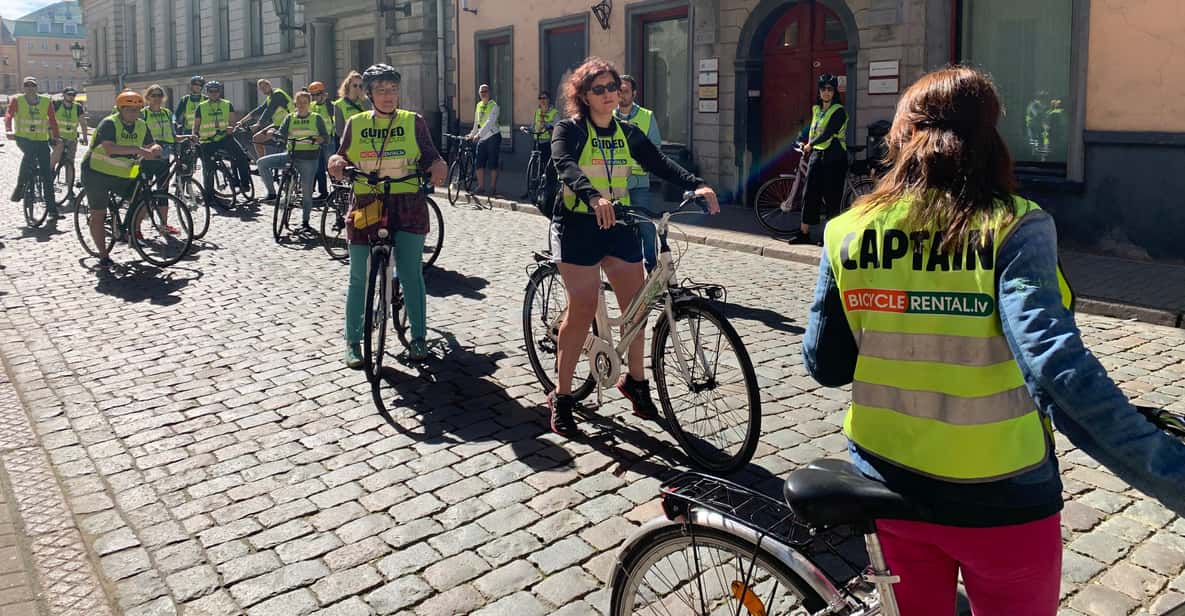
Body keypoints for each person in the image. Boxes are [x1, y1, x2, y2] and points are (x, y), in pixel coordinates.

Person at [802, 66, 1185, 616]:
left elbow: (825, 364)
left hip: (888, 484)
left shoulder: (848, 229)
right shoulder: (1015, 225)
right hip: (1002, 497)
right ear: (988, 137)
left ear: (902, 141)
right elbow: (1056, 367)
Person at [547, 57, 720, 437]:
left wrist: (695, 184)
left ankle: (637, 383)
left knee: (637, 308)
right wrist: (592, 197)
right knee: (583, 308)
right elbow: (564, 164)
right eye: (600, 89)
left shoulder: (627, 131)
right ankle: (561, 397)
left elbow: (658, 161)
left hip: (619, 222)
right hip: (578, 225)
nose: (610, 93)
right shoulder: (569, 129)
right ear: (584, 96)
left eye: (614, 87)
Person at [329, 64, 447, 365]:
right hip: (368, 203)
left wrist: (437, 166)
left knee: (410, 273)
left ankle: (418, 338)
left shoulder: (413, 121)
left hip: (407, 202)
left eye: (392, 90)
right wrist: (336, 162)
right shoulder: (355, 123)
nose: (388, 96)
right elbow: (341, 155)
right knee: (359, 276)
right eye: (380, 90)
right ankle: (353, 342)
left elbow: (430, 154)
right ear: (369, 94)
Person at [80, 90, 161, 268]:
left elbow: (151, 142)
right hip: (96, 173)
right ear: (120, 109)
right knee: (98, 214)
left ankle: (130, 230)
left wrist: (155, 148)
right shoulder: (109, 123)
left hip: (121, 174)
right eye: (129, 109)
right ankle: (103, 255)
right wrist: (138, 150)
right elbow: (109, 149)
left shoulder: (141, 124)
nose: (134, 113)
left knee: (143, 200)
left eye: (137, 109)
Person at [787, 73, 848, 246]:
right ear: (819, 92)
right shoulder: (817, 109)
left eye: (830, 89)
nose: (826, 92)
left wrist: (810, 144)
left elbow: (828, 132)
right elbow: (813, 129)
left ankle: (829, 237)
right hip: (817, 156)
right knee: (809, 194)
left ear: (834, 92)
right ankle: (804, 233)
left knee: (831, 197)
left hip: (834, 156)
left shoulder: (839, 111)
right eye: (823, 89)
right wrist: (802, 137)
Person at [258, 90, 329, 233]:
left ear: (309, 104)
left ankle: (305, 222)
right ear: (295, 103)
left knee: (307, 192)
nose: (302, 105)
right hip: (290, 155)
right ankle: (272, 193)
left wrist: (317, 139)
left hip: (309, 159)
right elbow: (282, 133)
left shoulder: (316, 118)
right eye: (299, 102)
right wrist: (275, 134)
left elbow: (326, 138)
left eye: (305, 102)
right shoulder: (290, 118)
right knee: (262, 163)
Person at [613, 75, 662, 271]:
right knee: (617, 228)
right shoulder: (609, 116)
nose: (621, 95)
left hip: (639, 181)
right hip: (615, 183)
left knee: (646, 227)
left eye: (625, 91)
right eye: (618, 91)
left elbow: (655, 148)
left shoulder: (646, 116)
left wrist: (645, 164)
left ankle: (652, 271)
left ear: (634, 93)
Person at [5, 76, 60, 216]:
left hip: (41, 140)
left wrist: (56, 136)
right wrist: (8, 129)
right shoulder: (17, 100)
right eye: (27, 85)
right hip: (23, 139)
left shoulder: (46, 101)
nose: (30, 88)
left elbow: (53, 120)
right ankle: (20, 187)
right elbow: (9, 115)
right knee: (29, 154)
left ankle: (52, 209)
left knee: (46, 174)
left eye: (32, 85)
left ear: (37, 87)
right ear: (24, 88)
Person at [192, 80, 251, 204]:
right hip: (207, 141)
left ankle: (245, 184)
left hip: (224, 138)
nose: (214, 93)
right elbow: (196, 125)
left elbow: (232, 122)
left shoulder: (227, 104)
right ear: (207, 92)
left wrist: (231, 127)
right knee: (208, 168)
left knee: (242, 157)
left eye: (216, 91)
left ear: (220, 92)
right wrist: (195, 135)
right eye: (211, 91)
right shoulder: (201, 106)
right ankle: (208, 195)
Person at [51, 87, 89, 196]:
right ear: (64, 94)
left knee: (70, 164)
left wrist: (85, 137)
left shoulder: (78, 108)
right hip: (57, 137)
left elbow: (83, 123)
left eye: (73, 95)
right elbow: (49, 119)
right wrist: (51, 135)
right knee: (56, 157)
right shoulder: (56, 104)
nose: (71, 97)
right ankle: (48, 177)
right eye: (69, 94)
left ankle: (70, 189)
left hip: (71, 139)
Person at [245, 79, 294, 159]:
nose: (263, 89)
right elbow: (260, 109)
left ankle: (279, 160)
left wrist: (258, 124)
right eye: (261, 88)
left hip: (288, 124)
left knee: (270, 134)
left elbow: (269, 111)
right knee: (256, 138)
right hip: (277, 124)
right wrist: (241, 121)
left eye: (264, 87)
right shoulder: (269, 98)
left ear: (269, 85)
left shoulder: (278, 94)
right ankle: (262, 163)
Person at [139, 84, 176, 191]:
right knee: (146, 190)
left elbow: (173, 135)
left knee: (163, 190)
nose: (157, 98)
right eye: (153, 95)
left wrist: (188, 136)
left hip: (164, 155)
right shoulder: (143, 114)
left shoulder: (167, 113)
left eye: (159, 95)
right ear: (147, 97)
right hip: (148, 156)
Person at [523, 90, 558, 201]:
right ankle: (530, 190)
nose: (542, 100)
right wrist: (527, 129)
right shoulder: (537, 112)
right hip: (537, 141)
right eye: (541, 98)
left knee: (546, 169)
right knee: (534, 168)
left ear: (548, 100)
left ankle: (546, 193)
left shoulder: (554, 112)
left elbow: (557, 126)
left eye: (545, 98)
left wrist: (549, 125)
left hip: (547, 142)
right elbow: (534, 126)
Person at [466, 83, 500, 195]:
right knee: (479, 162)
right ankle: (481, 186)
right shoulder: (479, 105)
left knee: (493, 163)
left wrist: (479, 135)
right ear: (479, 94)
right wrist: (472, 134)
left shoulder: (494, 106)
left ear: (489, 93)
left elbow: (490, 122)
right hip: (482, 137)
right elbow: (477, 123)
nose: (483, 94)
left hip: (493, 136)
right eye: (481, 92)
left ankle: (493, 187)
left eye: (485, 91)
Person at [308, 81, 334, 199]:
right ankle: (323, 193)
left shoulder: (331, 106)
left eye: (317, 94)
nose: (315, 97)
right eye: (312, 95)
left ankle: (338, 191)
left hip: (329, 140)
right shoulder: (312, 106)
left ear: (323, 94)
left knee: (332, 168)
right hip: (316, 141)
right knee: (319, 168)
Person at [333, 71, 370, 144]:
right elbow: (339, 130)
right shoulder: (339, 104)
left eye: (360, 86)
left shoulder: (365, 101)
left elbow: (373, 117)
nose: (358, 88)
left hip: (365, 140)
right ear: (348, 86)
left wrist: (365, 101)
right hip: (349, 141)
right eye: (355, 85)